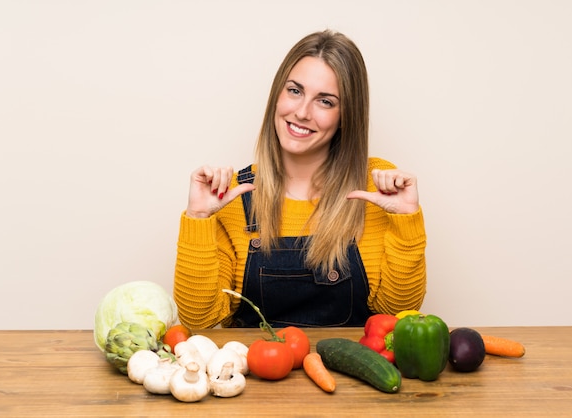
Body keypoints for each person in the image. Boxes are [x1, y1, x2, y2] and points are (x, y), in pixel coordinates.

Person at [173, 29, 426, 329]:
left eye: (325, 101)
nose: (302, 112)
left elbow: (397, 312)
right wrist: (198, 217)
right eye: (295, 91)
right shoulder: (232, 196)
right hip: (257, 372)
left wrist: (407, 221)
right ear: (277, 95)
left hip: (347, 374)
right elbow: (199, 319)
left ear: (347, 115)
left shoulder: (376, 188)